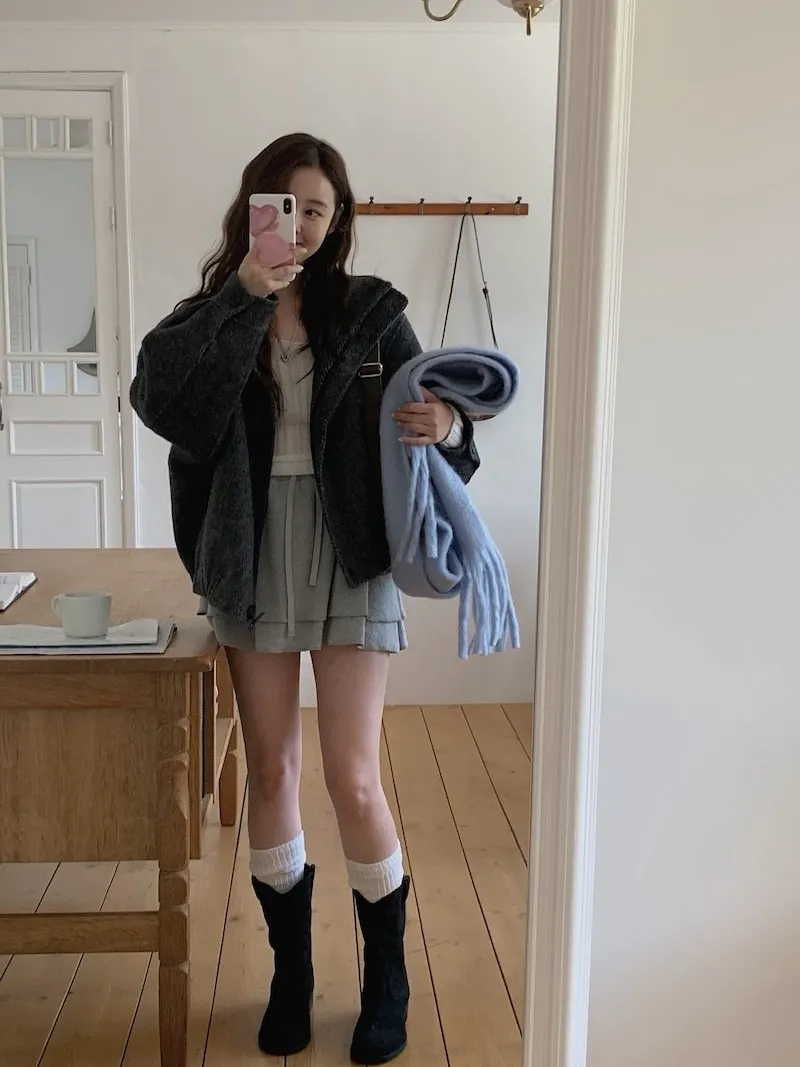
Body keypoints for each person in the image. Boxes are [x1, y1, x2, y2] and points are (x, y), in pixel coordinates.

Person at [130, 132, 479, 1063]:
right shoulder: (213, 313)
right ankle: (292, 973)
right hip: (251, 552)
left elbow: (453, 427)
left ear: (338, 219)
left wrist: (445, 423)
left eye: (317, 208)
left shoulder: (370, 314)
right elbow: (159, 398)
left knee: (353, 776)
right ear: (254, 208)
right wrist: (242, 294)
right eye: (285, 204)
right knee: (274, 769)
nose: (302, 222)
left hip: (352, 551)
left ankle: (387, 979)